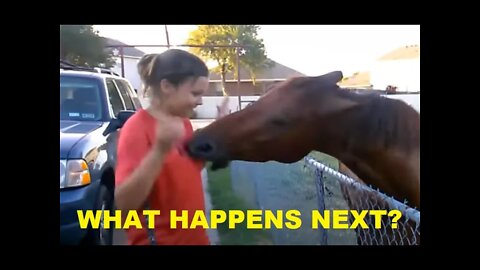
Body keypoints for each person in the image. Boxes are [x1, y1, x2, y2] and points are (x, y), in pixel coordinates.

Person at [114, 49, 229, 245]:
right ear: (167, 86)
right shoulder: (136, 128)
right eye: (195, 93)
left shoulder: (183, 124)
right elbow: (124, 204)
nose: (200, 101)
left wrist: (220, 130)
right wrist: (159, 151)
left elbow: (187, 171)